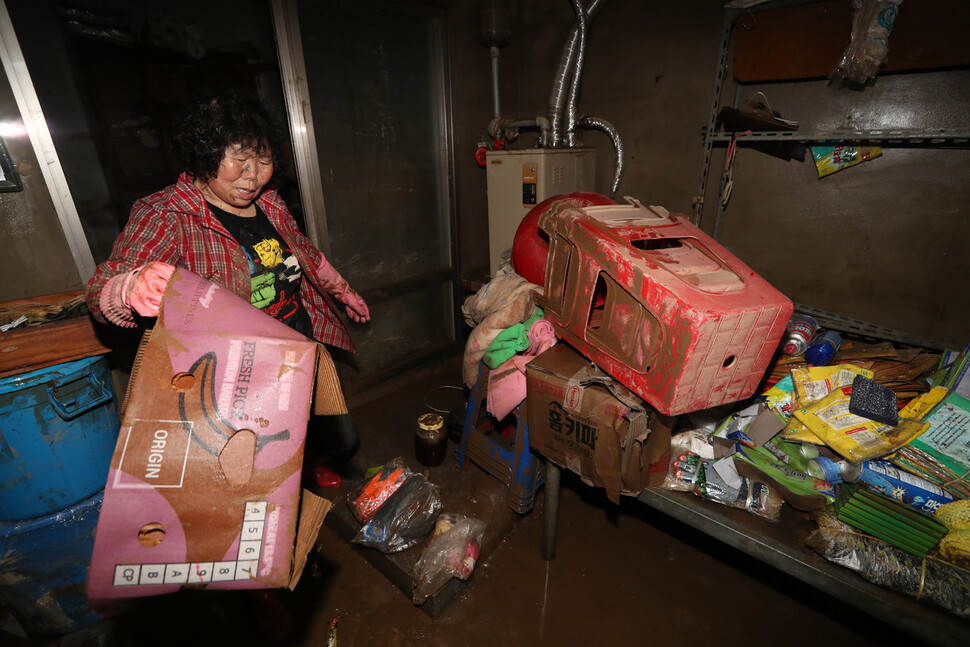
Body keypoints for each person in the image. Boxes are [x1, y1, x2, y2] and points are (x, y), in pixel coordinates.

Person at [85, 90, 368, 489]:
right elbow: (101, 286)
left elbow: (303, 252)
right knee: (259, 459)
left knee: (326, 430)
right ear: (205, 154)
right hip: (237, 373)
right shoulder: (167, 214)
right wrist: (128, 287)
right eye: (239, 160)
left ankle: (310, 465)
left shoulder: (271, 204)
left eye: (264, 160)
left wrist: (341, 289)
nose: (252, 176)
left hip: (298, 342)